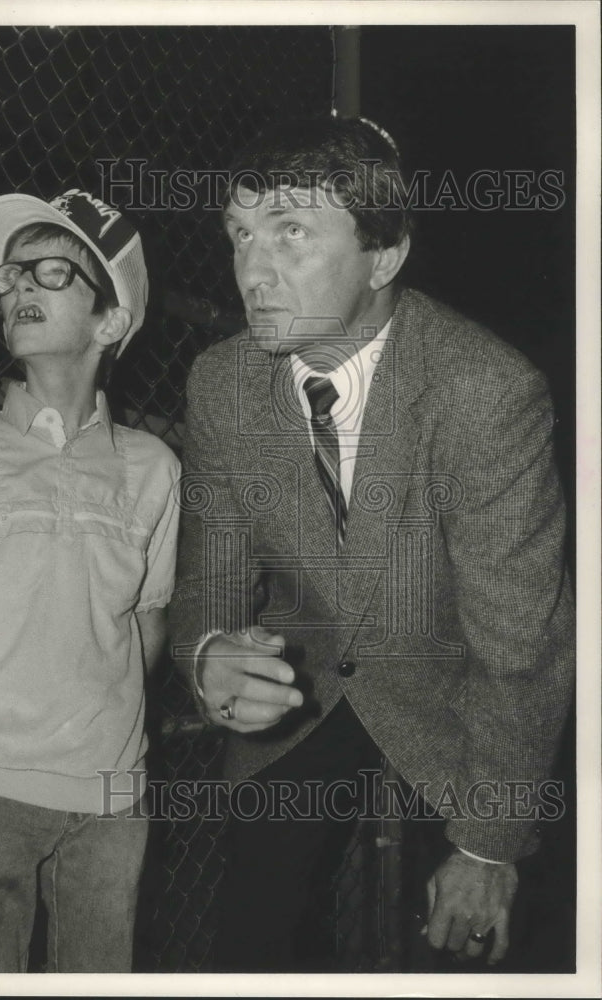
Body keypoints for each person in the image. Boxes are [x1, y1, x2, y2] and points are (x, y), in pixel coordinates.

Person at [168, 117, 575, 972]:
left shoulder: (485, 392)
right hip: (303, 672)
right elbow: (211, 575)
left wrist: (489, 849)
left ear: (383, 258)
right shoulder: (222, 380)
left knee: (467, 947)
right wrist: (208, 654)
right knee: (250, 943)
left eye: (291, 233)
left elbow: (522, 651)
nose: (252, 269)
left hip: (455, 689)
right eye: (241, 234)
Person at [0, 189, 181, 972]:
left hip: (111, 802)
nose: (18, 287)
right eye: (11, 276)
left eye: (51, 273)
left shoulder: (154, 469)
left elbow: (145, 634)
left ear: (110, 322)